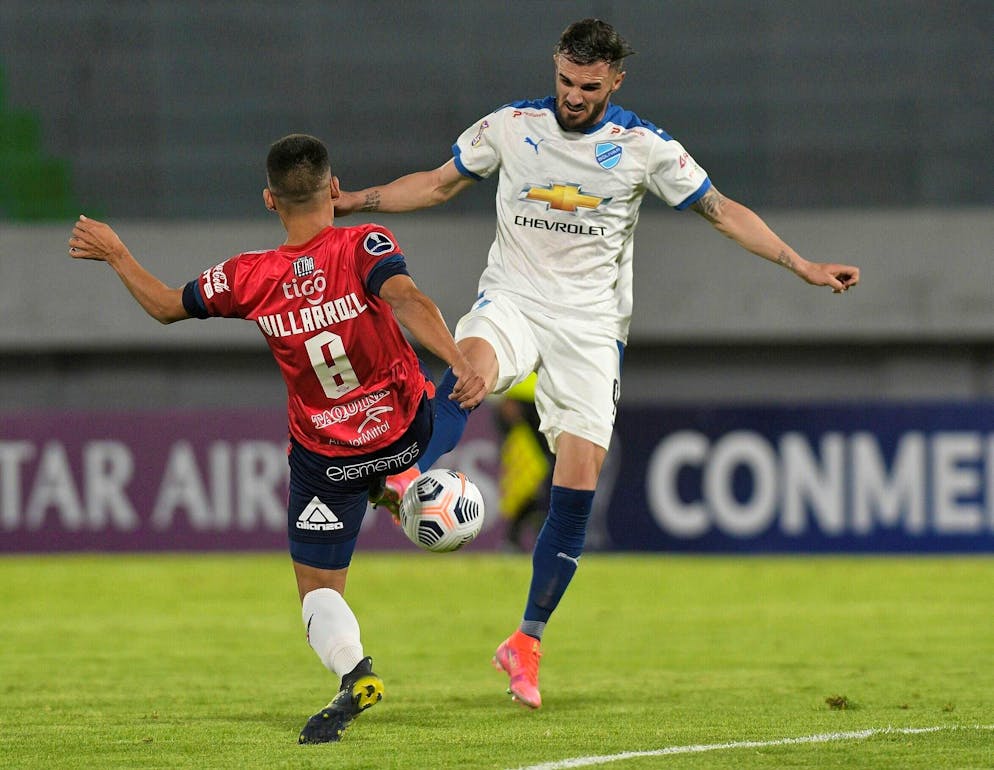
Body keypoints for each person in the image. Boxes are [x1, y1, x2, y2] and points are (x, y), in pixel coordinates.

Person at [334, 18, 860, 710]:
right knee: (471, 369)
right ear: (555, 68)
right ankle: (400, 477)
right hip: (514, 299)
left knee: (577, 481)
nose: (573, 96)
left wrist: (804, 266)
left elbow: (723, 211)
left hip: (590, 326)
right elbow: (435, 184)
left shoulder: (642, 148)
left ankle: (525, 642)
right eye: (565, 81)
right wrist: (353, 202)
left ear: (614, 80)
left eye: (588, 86)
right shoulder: (512, 126)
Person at [67, 133, 486, 743]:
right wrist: (460, 363)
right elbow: (407, 299)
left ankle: (355, 672)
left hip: (327, 461)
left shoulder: (246, 276)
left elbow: (162, 306)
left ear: (270, 200)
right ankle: (402, 480)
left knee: (318, 591)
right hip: (404, 431)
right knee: (471, 362)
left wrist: (115, 251)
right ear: (335, 188)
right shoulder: (365, 244)